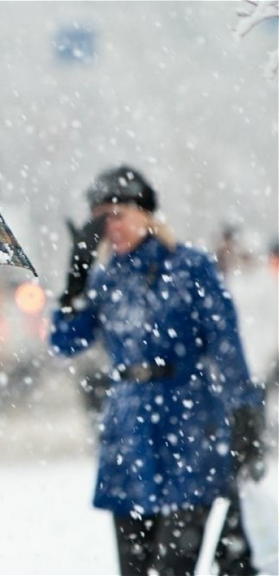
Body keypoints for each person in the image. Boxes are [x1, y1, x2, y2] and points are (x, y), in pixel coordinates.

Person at [50, 166, 265, 576]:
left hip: (189, 426)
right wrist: (74, 280)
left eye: (118, 213)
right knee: (134, 568)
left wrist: (244, 411)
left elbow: (226, 344)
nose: (109, 226)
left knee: (173, 566)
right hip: (128, 432)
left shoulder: (190, 266)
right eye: (100, 218)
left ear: (146, 213)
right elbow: (64, 342)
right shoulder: (105, 278)